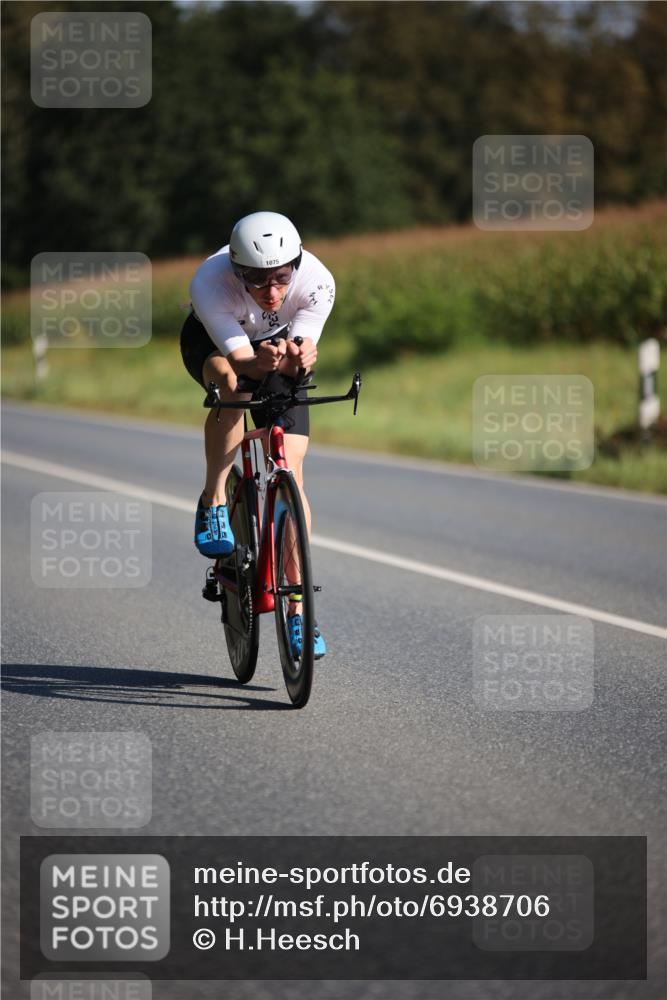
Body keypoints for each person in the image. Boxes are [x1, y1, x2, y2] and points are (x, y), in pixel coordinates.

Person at [180, 211, 335, 658]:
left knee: (292, 468)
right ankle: (213, 499)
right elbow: (244, 362)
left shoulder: (317, 282)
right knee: (232, 386)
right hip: (215, 347)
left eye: (281, 279)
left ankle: (299, 612)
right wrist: (259, 364)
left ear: (297, 266)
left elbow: (300, 355)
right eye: (257, 280)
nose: (271, 292)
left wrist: (298, 357)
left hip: (277, 347)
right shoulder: (210, 282)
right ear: (236, 270)